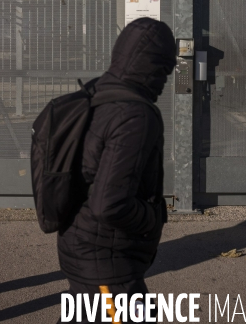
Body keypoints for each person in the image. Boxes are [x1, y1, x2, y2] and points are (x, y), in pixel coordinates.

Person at [57, 17, 177, 322]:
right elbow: (110, 204)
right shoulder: (136, 114)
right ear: (152, 66)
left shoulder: (99, 92)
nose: (165, 80)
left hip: (83, 245)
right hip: (107, 261)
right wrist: (153, 217)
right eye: (164, 69)